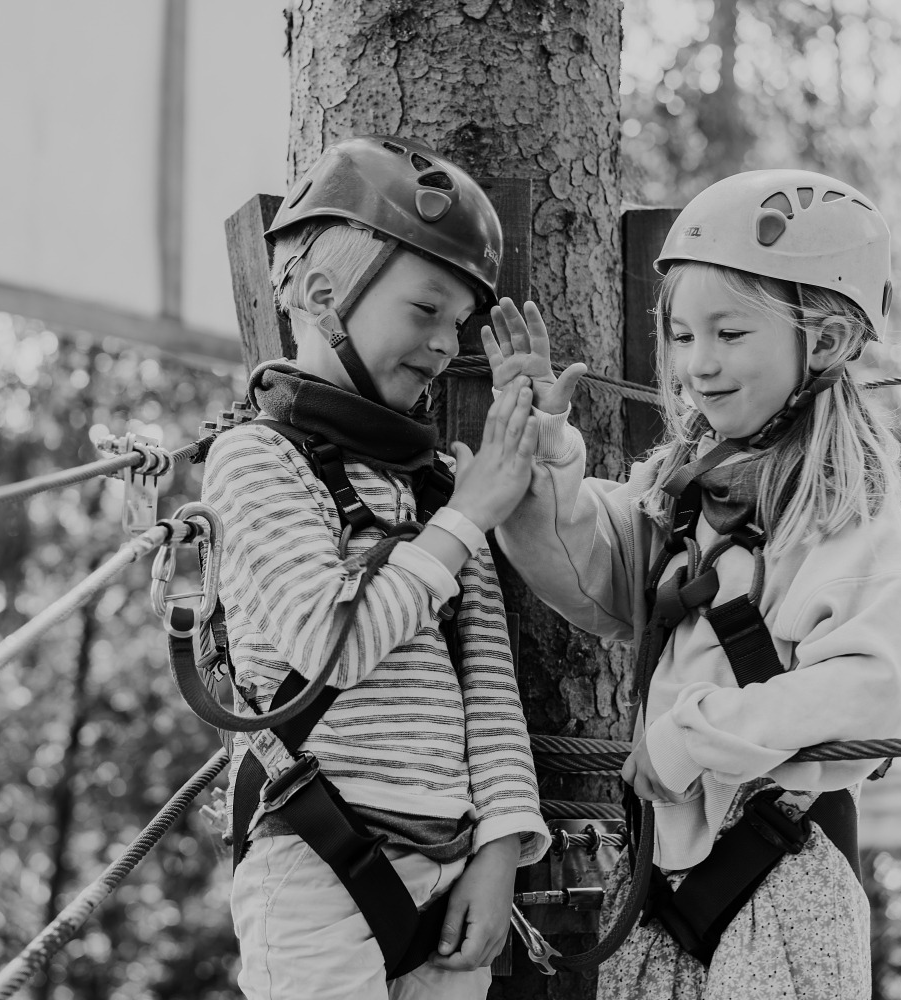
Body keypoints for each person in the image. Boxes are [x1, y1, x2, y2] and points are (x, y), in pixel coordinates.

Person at [489, 169, 901, 998]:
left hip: (784, 872)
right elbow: (586, 571)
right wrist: (545, 460)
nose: (698, 365)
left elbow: (873, 689)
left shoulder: (847, 506)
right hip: (663, 882)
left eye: (729, 333)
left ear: (827, 343)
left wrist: (689, 736)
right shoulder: (684, 494)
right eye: (683, 337)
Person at [203, 134, 550, 1000]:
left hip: (447, 873)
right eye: (424, 310)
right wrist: (471, 516)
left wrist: (501, 845)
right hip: (316, 863)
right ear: (324, 294)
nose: (443, 345)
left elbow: (487, 680)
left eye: (458, 326)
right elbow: (330, 642)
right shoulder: (258, 459)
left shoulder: (432, 489)